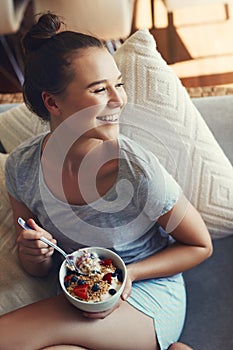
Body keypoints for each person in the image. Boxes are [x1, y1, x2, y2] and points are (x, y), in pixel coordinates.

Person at [0, 13, 213, 350]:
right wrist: (35, 252)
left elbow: (200, 245)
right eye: (100, 89)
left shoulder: (135, 169)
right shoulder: (21, 169)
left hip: (145, 295)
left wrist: (131, 274)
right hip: (81, 296)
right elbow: (38, 268)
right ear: (52, 102)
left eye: (119, 84)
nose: (119, 99)